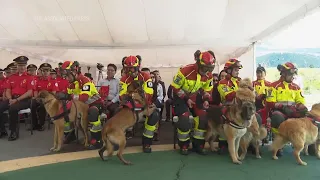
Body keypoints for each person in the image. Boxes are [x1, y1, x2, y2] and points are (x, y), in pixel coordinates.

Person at [171, 50, 215, 155]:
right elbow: (175, 87)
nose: (206, 71)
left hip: (196, 97)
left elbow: (207, 89)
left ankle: (198, 145)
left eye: (209, 69)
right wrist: (186, 99)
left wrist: (205, 99)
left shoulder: (209, 75)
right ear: (199, 64)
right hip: (180, 97)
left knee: (203, 118)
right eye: (205, 68)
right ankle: (184, 145)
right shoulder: (185, 71)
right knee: (184, 120)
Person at [119, 55, 160, 153]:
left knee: (154, 115)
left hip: (144, 107)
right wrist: (134, 96)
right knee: (117, 113)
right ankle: (120, 141)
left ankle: (147, 142)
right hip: (129, 107)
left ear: (138, 67)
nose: (131, 71)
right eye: (128, 69)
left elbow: (149, 94)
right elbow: (122, 96)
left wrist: (135, 96)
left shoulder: (146, 76)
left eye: (133, 68)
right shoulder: (123, 79)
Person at [59, 61, 103, 149]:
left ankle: (97, 140)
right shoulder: (71, 84)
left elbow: (84, 98)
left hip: (94, 104)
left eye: (68, 76)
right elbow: (69, 98)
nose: (67, 78)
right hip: (80, 107)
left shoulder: (85, 80)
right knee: (64, 112)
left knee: (93, 112)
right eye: (65, 76)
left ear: (74, 72)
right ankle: (70, 136)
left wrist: (69, 96)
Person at [266, 62, 307, 156]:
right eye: (290, 74)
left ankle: (301, 142)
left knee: (305, 117)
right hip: (279, 111)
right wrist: (282, 107)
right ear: (283, 74)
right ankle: (278, 145)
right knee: (277, 117)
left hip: (292, 111)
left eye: (293, 74)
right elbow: (269, 102)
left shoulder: (296, 87)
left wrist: (302, 108)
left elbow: (300, 101)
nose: (293, 76)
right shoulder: (272, 86)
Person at [0, 56, 34, 141]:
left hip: (24, 100)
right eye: (20, 65)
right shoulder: (12, 77)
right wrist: (10, 98)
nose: (22, 67)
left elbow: (29, 92)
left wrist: (17, 100)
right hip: (12, 98)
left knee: (13, 108)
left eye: (23, 65)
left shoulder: (29, 77)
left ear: (26, 66)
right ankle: (2, 130)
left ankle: (13, 132)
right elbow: (8, 90)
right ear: (17, 66)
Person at [32, 63, 58, 131]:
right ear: (41, 71)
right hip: (39, 98)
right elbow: (35, 90)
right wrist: (36, 97)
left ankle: (41, 124)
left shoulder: (53, 81)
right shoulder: (38, 80)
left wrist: (45, 98)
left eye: (47, 71)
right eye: (44, 71)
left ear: (50, 72)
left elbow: (54, 93)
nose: (46, 72)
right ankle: (34, 124)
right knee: (32, 104)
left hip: (49, 100)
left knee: (42, 106)